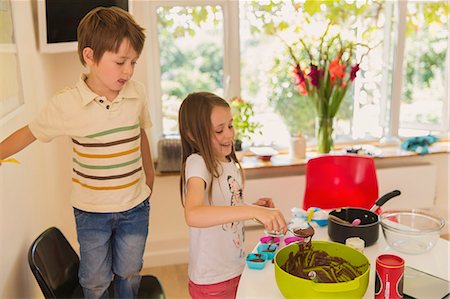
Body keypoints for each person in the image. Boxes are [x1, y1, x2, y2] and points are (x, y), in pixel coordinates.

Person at [0, 7, 153, 299]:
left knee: (130, 273)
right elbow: (28, 133)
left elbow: (140, 134)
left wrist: (150, 179)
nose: (129, 70)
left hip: (135, 208)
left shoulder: (137, 94)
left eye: (133, 62)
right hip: (91, 213)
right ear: (90, 56)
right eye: (121, 62)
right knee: (94, 281)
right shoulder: (67, 104)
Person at [178, 92, 287, 299]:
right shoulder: (198, 163)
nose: (228, 134)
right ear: (193, 135)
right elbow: (193, 215)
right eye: (219, 130)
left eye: (230, 126)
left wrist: (254, 209)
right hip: (213, 280)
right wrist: (250, 210)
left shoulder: (228, 163)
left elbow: (225, 210)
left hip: (235, 267)